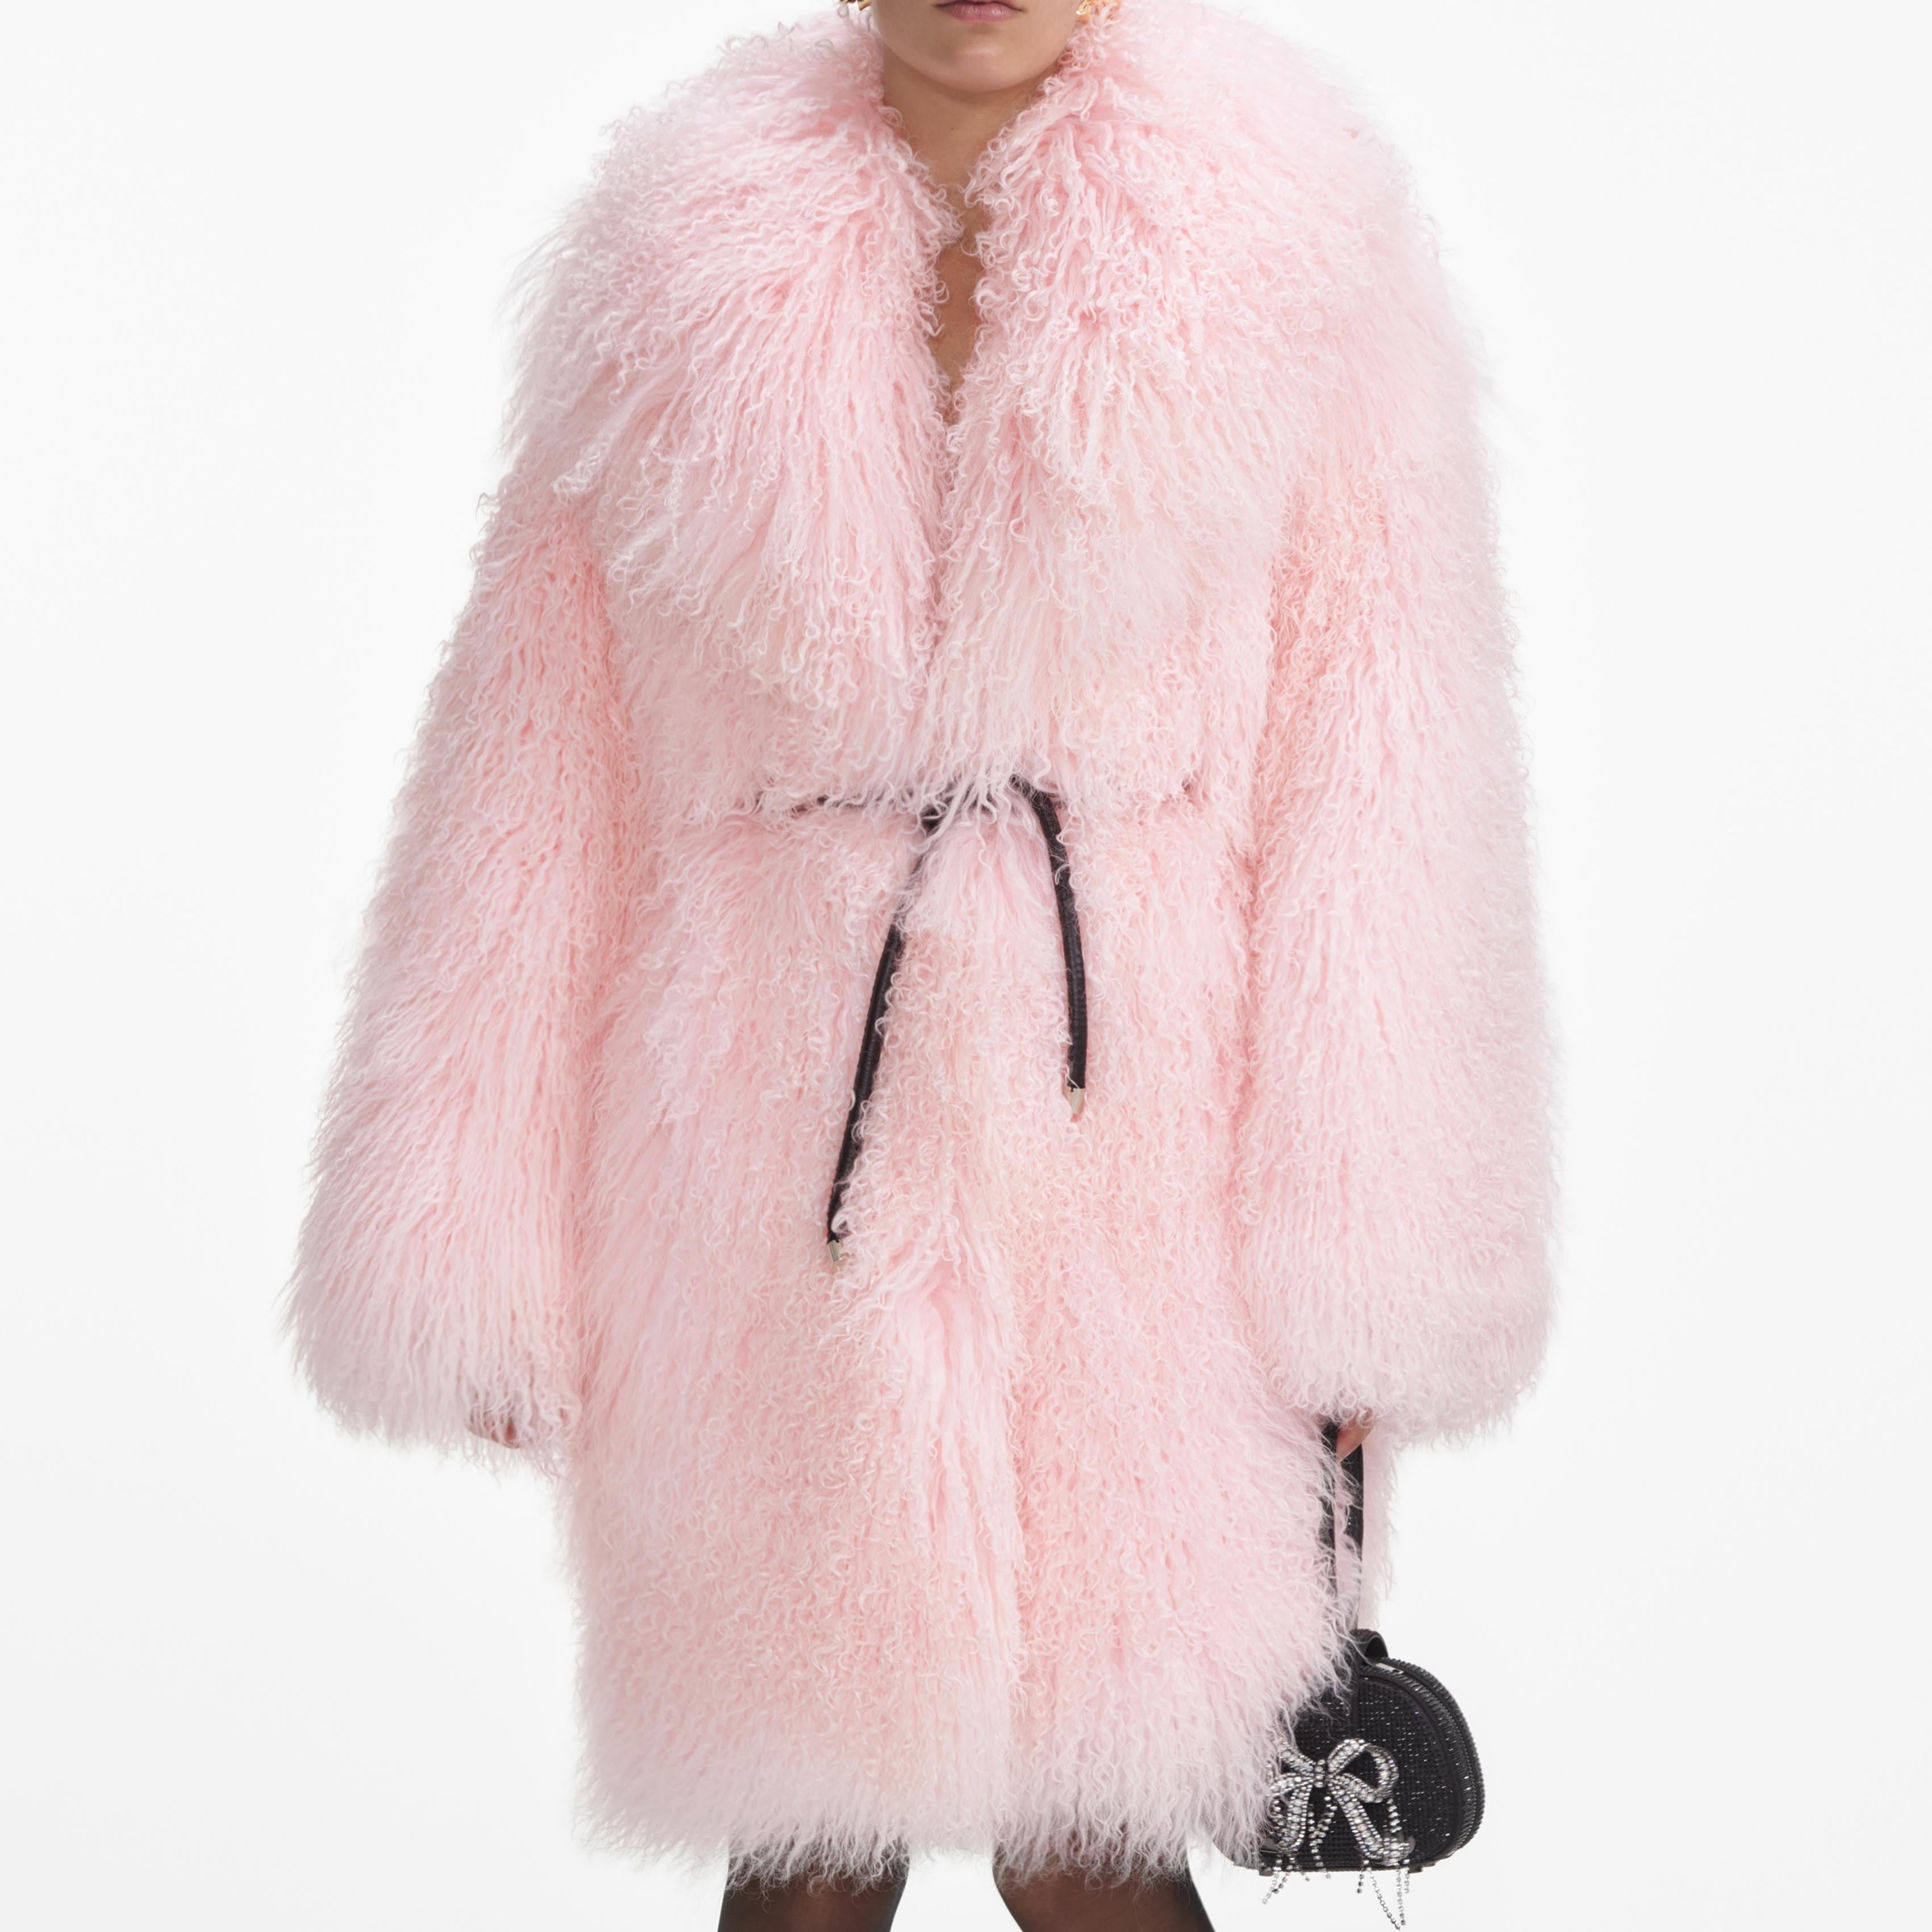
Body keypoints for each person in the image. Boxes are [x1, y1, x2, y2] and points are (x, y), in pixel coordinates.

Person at [285, 2, 1554, 1926]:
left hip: (1146, 1202)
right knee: (803, 1845)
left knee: (1097, 1841)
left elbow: (1388, 785)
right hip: (764, 1187)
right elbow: (531, 764)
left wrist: (1376, 1256)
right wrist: (470, 1225)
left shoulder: (1303, 250)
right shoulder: (666, 263)